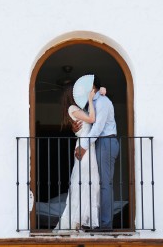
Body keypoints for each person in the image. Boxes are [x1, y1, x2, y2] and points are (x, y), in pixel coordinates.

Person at [54, 77, 100, 231]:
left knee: (90, 182)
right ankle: (77, 221)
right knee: (84, 182)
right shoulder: (72, 109)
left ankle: (83, 220)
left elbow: (85, 125)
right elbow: (92, 119)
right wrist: (91, 100)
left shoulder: (78, 108)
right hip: (84, 149)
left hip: (88, 147)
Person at [74, 75, 119, 230]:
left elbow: (98, 127)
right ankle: (98, 222)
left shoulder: (103, 102)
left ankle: (106, 225)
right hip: (100, 142)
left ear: (92, 87)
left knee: (105, 184)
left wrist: (84, 145)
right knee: (99, 184)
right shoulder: (94, 102)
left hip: (106, 141)